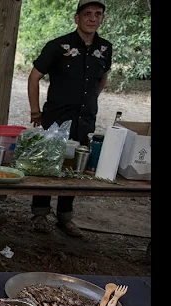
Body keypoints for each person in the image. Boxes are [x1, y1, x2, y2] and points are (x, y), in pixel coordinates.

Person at [27, 0, 112, 237]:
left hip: (84, 119)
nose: (92, 19)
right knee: (48, 162)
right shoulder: (58, 46)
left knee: (76, 167)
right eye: (87, 14)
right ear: (77, 18)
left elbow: (102, 78)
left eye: (97, 14)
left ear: (102, 19)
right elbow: (34, 77)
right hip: (56, 117)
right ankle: (40, 213)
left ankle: (65, 217)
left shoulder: (105, 48)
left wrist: (90, 100)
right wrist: (35, 111)